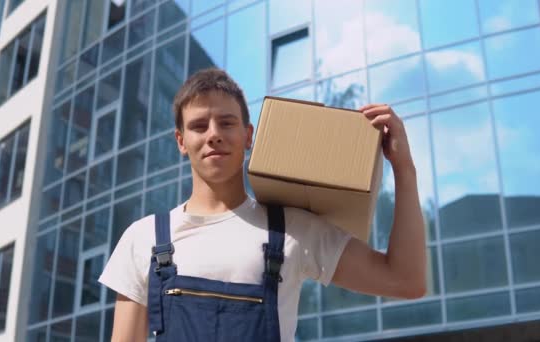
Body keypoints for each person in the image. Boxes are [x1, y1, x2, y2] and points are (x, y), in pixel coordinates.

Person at [98, 68, 426, 342]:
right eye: (199, 126)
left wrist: (404, 169)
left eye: (226, 123)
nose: (213, 134)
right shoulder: (143, 239)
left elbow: (406, 281)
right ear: (181, 141)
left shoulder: (293, 230)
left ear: (248, 135)